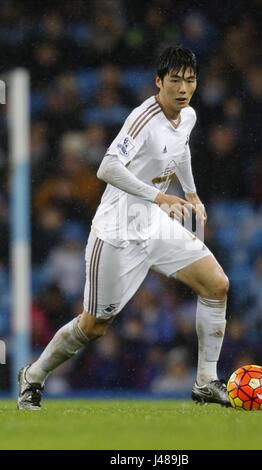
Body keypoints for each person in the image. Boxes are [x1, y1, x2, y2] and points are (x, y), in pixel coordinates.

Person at [18, 46, 229, 410]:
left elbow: (181, 150)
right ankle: (33, 376)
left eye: (190, 81)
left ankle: (206, 382)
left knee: (217, 285)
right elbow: (107, 168)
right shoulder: (141, 118)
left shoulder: (188, 116)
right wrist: (161, 198)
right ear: (158, 82)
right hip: (116, 233)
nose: (183, 88)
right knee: (94, 326)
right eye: (175, 81)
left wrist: (192, 193)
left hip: (153, 225)